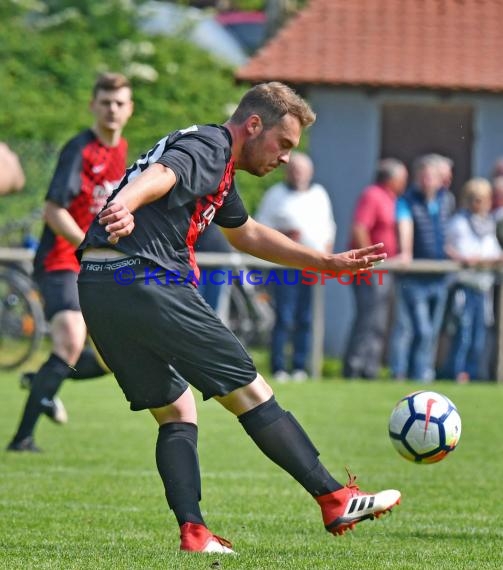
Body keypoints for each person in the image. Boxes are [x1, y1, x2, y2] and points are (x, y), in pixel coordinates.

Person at [76, 82, 400, 553]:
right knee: (250, 391)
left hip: (101, 285)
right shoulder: (211, 146)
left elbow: (245, 234)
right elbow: (167, 173)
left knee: (175, 410)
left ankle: (195, 533)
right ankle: (334, 498)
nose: (286, 157)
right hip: (145, 278)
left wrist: (325, 262)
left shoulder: (220, 170)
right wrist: (124, 205)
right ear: (253, 125)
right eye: (284, 143)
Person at [7, 72, 134, 452]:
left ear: (129, 109)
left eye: (119, 103)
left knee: (117, 358)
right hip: (62, 260)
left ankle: (42, 380)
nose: (112, 109)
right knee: (71, 339)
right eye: (105, 102)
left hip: (96, 265)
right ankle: (22, 439)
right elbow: (52, 211)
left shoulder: (123, 151)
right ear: (92, 106)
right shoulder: (80, 149)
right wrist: (87, 246)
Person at [255, 151, 336, 381]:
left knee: (306, 317)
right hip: (284, 266)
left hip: (312, 265)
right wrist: (284, 235)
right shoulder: (275, 195)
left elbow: (329, 227)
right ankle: (279, 367)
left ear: (310, 173)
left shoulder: (319, 195)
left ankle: (300, 366)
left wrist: (327, 258)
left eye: (302, 170)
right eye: (294, 170)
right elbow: (260, 229)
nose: (298, 174)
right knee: (284, 316)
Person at [388, 154, 456, 381]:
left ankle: (423, 373)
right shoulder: (407, 200)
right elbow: (404, 226)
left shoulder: (447, 200)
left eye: (432, 175)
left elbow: (449, 232)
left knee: (432, 331)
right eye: (423, 175)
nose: (428, 179)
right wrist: (406, 252)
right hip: (416, 275)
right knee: (416, 328)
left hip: (440, 275)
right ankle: (401, 372)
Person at [343, 158, 408, 379]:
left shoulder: (391, 199)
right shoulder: (373, 195)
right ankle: (354, 367)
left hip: (383, 269)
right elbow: (360, 227)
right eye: (402, 179)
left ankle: (370, 368)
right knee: (367, 319)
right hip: (370, 270)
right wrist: (368, 260)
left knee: (379, 321)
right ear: (392, 178)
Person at [444, 178, 502, 382]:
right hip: (464, 285)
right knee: (463, 333)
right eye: (476, 199)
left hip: (483, 286)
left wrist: (492, 259)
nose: (481, 204)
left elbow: (493, 251)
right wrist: (463, 259)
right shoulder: (458, 222)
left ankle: (473, 374)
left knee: (479, 336)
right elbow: (447, 247)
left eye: (484, 199)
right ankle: (456, 373)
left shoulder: (488, 224)